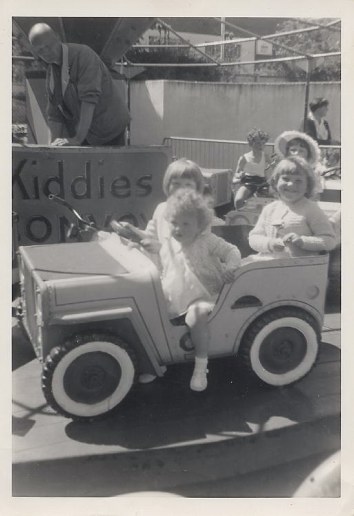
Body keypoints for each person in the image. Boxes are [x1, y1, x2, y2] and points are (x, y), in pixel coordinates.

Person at [161, 189, 241, 391]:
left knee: (194, 316)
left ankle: (201, 365)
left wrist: (231, 268)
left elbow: (232, 251)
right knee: (152, 306)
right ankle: (155, 361)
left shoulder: (206, 241)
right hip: (178, 295)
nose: (178, 229)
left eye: (186, 223)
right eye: (174, 223)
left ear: (200, 225)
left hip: (206, 294)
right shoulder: (168, 244)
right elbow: (166, 271)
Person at [28, 23, 130, 146]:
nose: (46, 52)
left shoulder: (83, 55)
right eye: (40, 50)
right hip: (87, 133)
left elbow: (89, 101)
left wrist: (77, 139)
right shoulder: (52, 72)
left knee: (107, 165)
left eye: (48, 46)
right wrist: (52, 147)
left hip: (110, 130)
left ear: (57, 38)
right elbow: (54, 115)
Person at [248, 156, 336, 258]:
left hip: (298, 268)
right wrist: (269, 243)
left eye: (298, 181)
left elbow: (330, 240)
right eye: (285, 178)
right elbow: (254, 238)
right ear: (276, 182)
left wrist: (303, 241)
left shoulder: (311, 209)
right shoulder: (269, 209)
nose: (290, 184)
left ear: (307, 186)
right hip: (267, 265)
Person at [274, 130, 324, 198]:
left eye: (301, 151)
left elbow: (315, 192)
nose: (297, 153)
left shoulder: (312, 171)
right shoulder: (282, 168)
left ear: (308, 154)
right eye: (293, 150)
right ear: (287, 152)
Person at [232, 128, 270, 210]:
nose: (261, 146)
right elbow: (236, 175)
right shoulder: (244, 158)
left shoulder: (265, 156)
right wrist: (239, 176)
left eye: (263, 143)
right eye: (258, 143)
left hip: (262, 183)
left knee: (271, 201)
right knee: (238, 200)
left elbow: (276, 166)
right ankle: (240, 218)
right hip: (248, 182)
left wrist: (278, 162)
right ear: (251, 143)